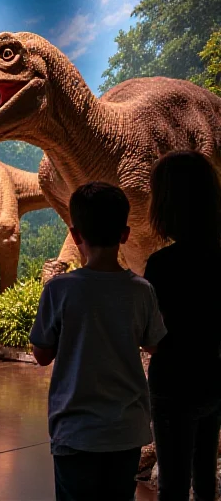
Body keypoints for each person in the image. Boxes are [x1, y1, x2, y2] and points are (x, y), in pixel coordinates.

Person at [30, 182, 167, 501]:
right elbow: (155, 344)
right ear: (125, 234)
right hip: (126, 431)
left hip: (74, 431)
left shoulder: (59, 290)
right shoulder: (141, 290)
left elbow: (41, 354)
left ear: (75, 235)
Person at [145, 150, 221, 501]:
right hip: (212, 379)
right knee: (205, 479)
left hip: (173, 385)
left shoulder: (161, 265)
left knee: (172, 486)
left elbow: (154, 337)